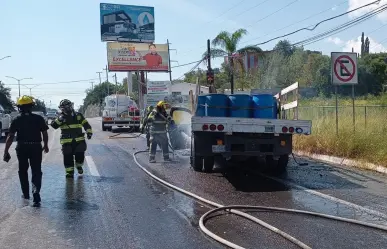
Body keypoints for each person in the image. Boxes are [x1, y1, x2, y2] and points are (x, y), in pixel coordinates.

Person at [3, 95, 49, 207]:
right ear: (31, 106)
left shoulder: (17, 120)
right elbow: (44, 133)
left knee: (22, 171)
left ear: (19, 107)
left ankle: (26, 194)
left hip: (22, 147)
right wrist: (46, 145)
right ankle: (36, 192)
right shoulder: (39, 119)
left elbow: (10, 136)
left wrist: (6, 151)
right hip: (36, 147)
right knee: (36, 170)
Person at [51, 99, 93, 178]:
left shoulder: (78, 115)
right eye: (62, 108)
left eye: (65, 107)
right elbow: (54, 126)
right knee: (67, 157)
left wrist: (89, 132)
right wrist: (60, 120)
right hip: (66, 142)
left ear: (70, 107)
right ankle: (69, 173)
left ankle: (79, 166)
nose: (64, 109)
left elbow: (86, 124)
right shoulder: (60, 116)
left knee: (80, 157)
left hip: (79, 140)